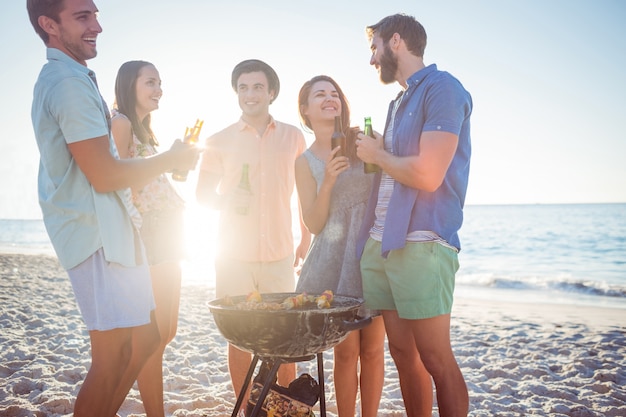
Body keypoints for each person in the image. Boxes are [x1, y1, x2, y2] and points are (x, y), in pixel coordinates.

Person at [27, 1, 201, 416]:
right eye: (83, 17)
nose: (98, 26)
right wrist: (171, 159)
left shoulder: (75, 78)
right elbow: (104, 175)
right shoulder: (66, 83)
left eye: (96, 14)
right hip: (97, 234)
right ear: (49, 25)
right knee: (114, 357)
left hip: (114, 233)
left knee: (139, 344)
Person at [355, 13, 472, 417]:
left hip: (422, 241)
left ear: (397, 42)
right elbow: (391, 167)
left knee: (436, 358)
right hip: (384, 241)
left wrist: (378, 155)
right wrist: (375, 149)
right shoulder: (397, 102)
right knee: (403, 353)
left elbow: (427, 174)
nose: (372, 59)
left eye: (375, 47)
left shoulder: (443, 89)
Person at [195, 59, 310, 403]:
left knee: (284, 337)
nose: (250, 94)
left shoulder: (294, 137)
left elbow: (305, 192)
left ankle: (282, 405)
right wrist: (228, 197)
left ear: (271, 92)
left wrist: (306, 237)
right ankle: (246, 406)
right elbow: (202, 197)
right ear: (236, 93)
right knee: (239, 336)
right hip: (232, 254)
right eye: (243, 87)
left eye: (258, 87)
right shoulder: (218, 140)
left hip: (279, 253)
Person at [294, 75, 386, 417]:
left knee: (374, 350)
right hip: (334, 263)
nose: (329, 98)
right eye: (320, 94)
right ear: (305, 109)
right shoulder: (304, 162)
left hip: (371, 252)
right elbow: (314, 224)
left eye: (334, 93)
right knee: (345, 352)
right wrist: (329, 180)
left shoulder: (363, 138)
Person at [111, 60, 186, 417]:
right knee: (151, 337)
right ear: (130, 85)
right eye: (150, 82)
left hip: (169, 230)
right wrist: (166, 161)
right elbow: (119, 182)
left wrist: (171, 161)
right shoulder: (121, 123)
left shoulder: (144, 129)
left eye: (160, 83)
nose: (158, 89)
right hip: (150, 232)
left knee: (166, 332)